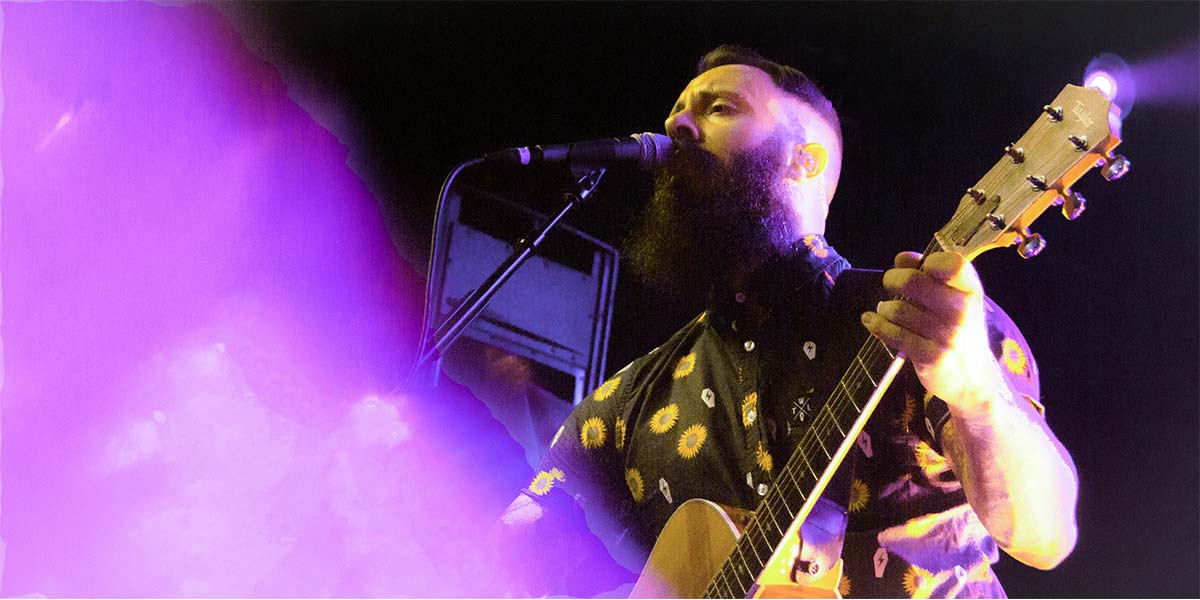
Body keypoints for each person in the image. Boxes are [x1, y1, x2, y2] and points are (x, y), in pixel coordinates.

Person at [492, 45, 1078, 598]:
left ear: (804, 159)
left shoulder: (921, 317)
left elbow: (1044, 534)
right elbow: (501, 562)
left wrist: (979, 396)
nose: (677, 125)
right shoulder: (625, 406)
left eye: (719, 108)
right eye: (676, 113)